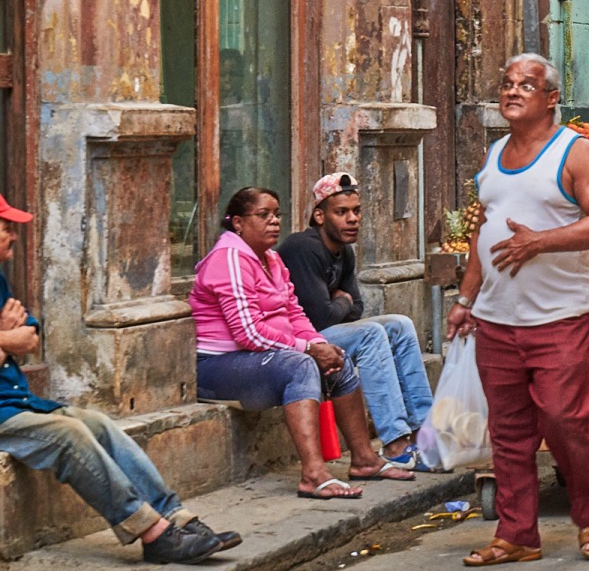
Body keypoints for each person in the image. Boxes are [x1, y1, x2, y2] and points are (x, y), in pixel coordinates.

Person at [0, 194, 240, 565]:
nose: (14, 235)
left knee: (98, 423)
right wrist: (5, 339)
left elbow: (30, 336)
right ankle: (152, 532)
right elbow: (16, 340)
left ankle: (174, 516)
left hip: (17, 402)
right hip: (4, 416)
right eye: (5, 228)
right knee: (69, 436)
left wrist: (10, 339)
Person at [448, 53, 589, 565]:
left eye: (527, 84)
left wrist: (540, 242)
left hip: (560, 314)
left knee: (564, 418)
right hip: (497, 318)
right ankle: (517, 534)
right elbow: (484, 231)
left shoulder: (576, 152)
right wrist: (465, 298)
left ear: (551, 99)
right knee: (508, 431)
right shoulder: (495, 153)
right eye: (506, 84)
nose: (512, 91)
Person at [190, 187, 415, 501]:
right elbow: (248, 334)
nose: (274, 222)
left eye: (276, 214)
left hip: (262, 357)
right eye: (263, 215)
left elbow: (294, 312)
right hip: (220, 367)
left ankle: (364, 460)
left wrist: (320, 344)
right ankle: (313, 474)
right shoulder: (229, 258)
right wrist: (308, 350)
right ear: (238, 223)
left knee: (338, 359)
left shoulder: (271, 259)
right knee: (301, 365)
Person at [278, 173, 435, 469]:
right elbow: (320, 317)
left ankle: (424, 434)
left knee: (400, 325)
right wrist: (343, 301)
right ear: (320, 215)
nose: (352, 219)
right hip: (300, 342)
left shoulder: (344, 251)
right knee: (371, 334)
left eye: (356, 211)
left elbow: (357, 307)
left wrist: (341, 302)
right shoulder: (304, 247)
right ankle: (395, 444)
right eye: (341, 212)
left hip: (326, 332)